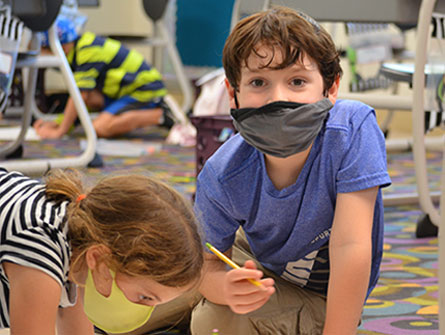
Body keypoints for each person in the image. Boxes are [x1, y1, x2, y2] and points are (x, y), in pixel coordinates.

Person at [191, 6, 391, 335]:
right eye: (258, 82)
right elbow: (205, 266)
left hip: (324, 299)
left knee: (213, 321)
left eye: (297, 81)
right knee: (162, 273)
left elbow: (350, 246)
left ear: (331, 88)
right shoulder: (222, 172)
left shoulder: (352, 128)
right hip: (258, 264)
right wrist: (222, 288)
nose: (277, 99)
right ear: (233, 93)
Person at [0, 167, 203, 334]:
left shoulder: (84, 248)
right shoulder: (40, 250)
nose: (143, 311)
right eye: (144, 298)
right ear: (99, 257)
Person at [33, 17, 174, 139]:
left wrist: (60, 131)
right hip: (124, 90)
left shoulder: (87, 51)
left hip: (145, 90)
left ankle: (161, 115)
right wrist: (58, 122)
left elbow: (81, 96)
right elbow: (84, 98)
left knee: (100, 127)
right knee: (91, 97)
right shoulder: (80, 46)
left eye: (45, 50)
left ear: (60, 48)